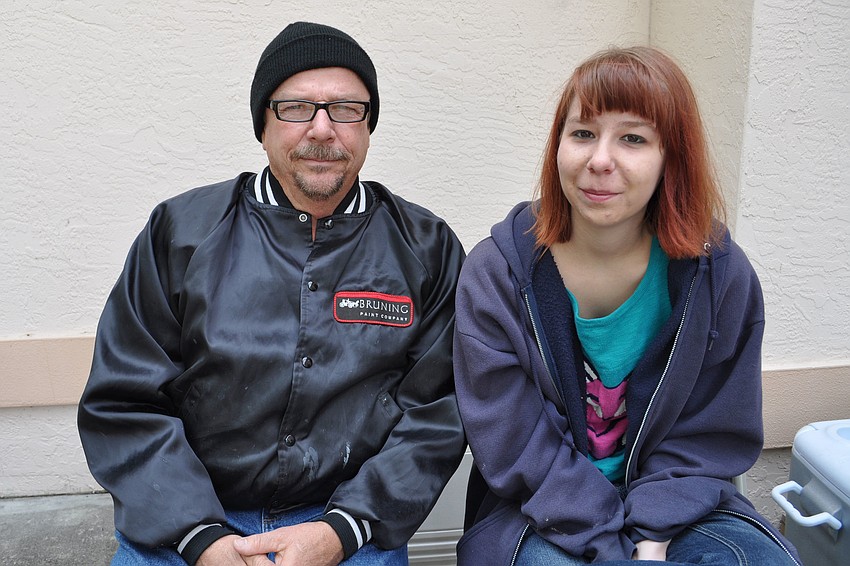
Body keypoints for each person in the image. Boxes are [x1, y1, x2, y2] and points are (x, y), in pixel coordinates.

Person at [78, 21, 466, 566]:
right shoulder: (181, 232)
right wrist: (201, 537)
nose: (323, 129)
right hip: (184, 523)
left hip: (348, 524)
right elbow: (125, 401)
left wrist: (342, 530)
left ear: (369, 126)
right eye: (296, 107)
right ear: (263, 123)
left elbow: (437, 411)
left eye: (346, 108)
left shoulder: (426, 250)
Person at [452, 47, 801, 565]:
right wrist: (611, 549)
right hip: (541, 511)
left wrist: (653, 535)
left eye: (633, 138)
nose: (599, 160)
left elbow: (710, 434)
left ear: (671, 158)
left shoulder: (718, 276)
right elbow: (516, 445)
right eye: (583, 133)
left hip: (682, 507)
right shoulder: (497, 275)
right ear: (558, 147)